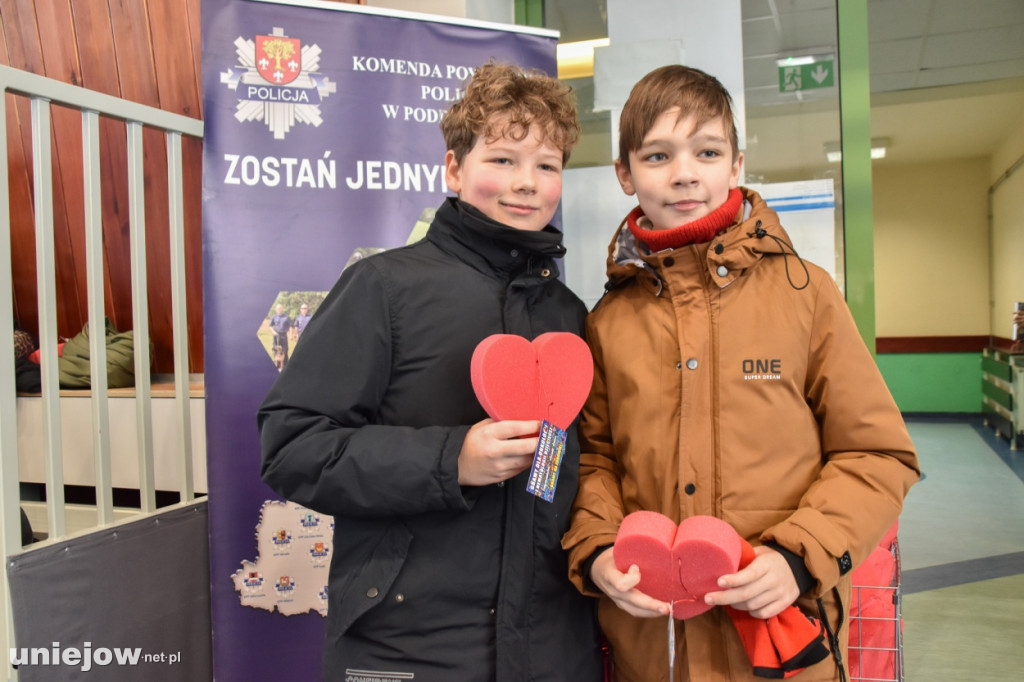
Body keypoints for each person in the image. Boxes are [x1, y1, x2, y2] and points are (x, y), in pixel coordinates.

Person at [560, 64, 921, 682]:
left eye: (707, 151)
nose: (684, 174)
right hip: (653, 647)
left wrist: (798, 557)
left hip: (782, 641)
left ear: (736, 164)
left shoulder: (807, 296)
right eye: (657, 155)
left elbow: (878, 452)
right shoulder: (608, 321)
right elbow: (594, 462)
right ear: (625, 173)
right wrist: (595, 552)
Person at [258, 61, 603, 680]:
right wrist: (453, 461)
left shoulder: (567, 312)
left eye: (546, 166)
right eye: (502, 159)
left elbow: (569, 467)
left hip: (550, 645)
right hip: (407, 645)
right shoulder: (383, 287)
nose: (527, 183)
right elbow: (293, 446)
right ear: (454, 168)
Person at [268, 303, 291, 370]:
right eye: (278, 308)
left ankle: (286, 365)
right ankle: (277, 365)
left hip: (283, 335)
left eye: (280, 308)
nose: (279, 310)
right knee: (275, 349)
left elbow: (290, 326)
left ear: (282, 309)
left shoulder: (286, 317)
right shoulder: (274, 317)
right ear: (276, 309)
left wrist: (290, 335)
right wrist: (273, 332)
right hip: (276, 335)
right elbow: (270, 326)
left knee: (285, 349)